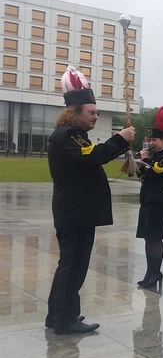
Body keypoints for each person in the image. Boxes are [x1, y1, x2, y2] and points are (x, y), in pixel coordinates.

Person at [46, 66, 135, 334]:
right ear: (75, 113)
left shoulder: (73, 135)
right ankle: (64, 319)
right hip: (75, 213)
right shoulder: (67, 136)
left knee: (71, 266)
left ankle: (59, 315)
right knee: (73, 267)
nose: (96, 116)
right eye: (92, 112)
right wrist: (119, 139)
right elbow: (93, 156)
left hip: (76, 212)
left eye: (97, 112)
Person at [135, 106, 163, 288]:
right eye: (150, 140)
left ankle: (156, 272)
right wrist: (139, 164)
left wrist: (144, 161)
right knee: (147, 237)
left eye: (154, 140)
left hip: (160, 200)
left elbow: (155, 174)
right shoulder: (155, 156)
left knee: (155, 238)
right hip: (148, 198)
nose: (151, 143)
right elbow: (143, 176)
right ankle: (150, 272)